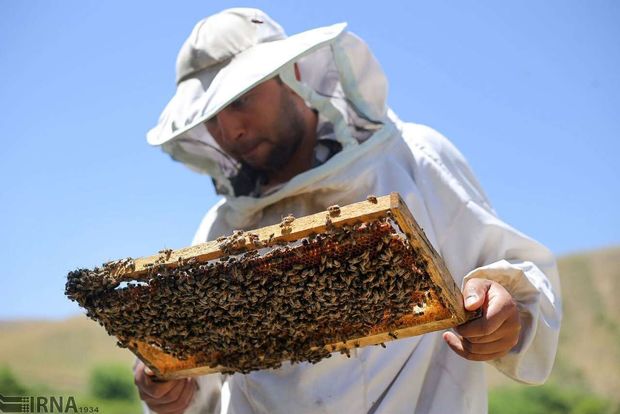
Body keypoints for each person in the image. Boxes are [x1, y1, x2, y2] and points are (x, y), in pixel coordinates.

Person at [135, 8, 562, 414]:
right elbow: (209, 383)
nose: (229, 130)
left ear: (294, 75)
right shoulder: (220, 227)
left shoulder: (413, 160)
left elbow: (522, 285)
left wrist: (507, 310)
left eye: (240, 100)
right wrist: (171, 388)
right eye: (210, 118)